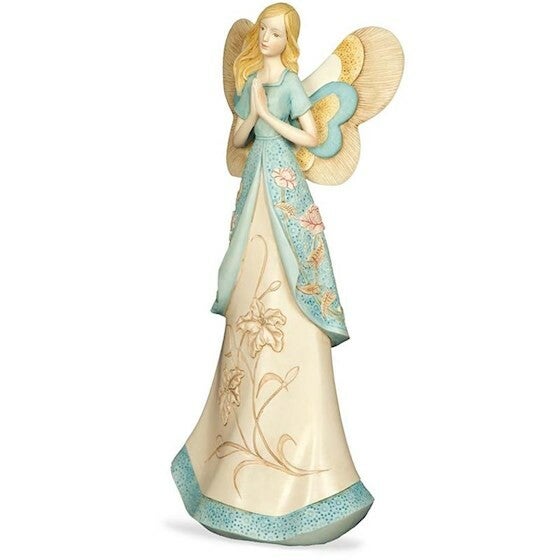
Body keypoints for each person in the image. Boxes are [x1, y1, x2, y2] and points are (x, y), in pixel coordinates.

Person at [170, 2, 393, 546]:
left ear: (288, 39)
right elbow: (237, 140)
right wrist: (249, 116)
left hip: (284, 185)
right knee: (250, 289)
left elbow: (312, 136)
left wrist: (270, 120)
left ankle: (303, 478)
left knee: (289, 289)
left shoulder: (291, 85)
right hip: (255, 188)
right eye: (264, 30)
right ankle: (231, 468)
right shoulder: (252, 82)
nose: (267, 38)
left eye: (275, 32)